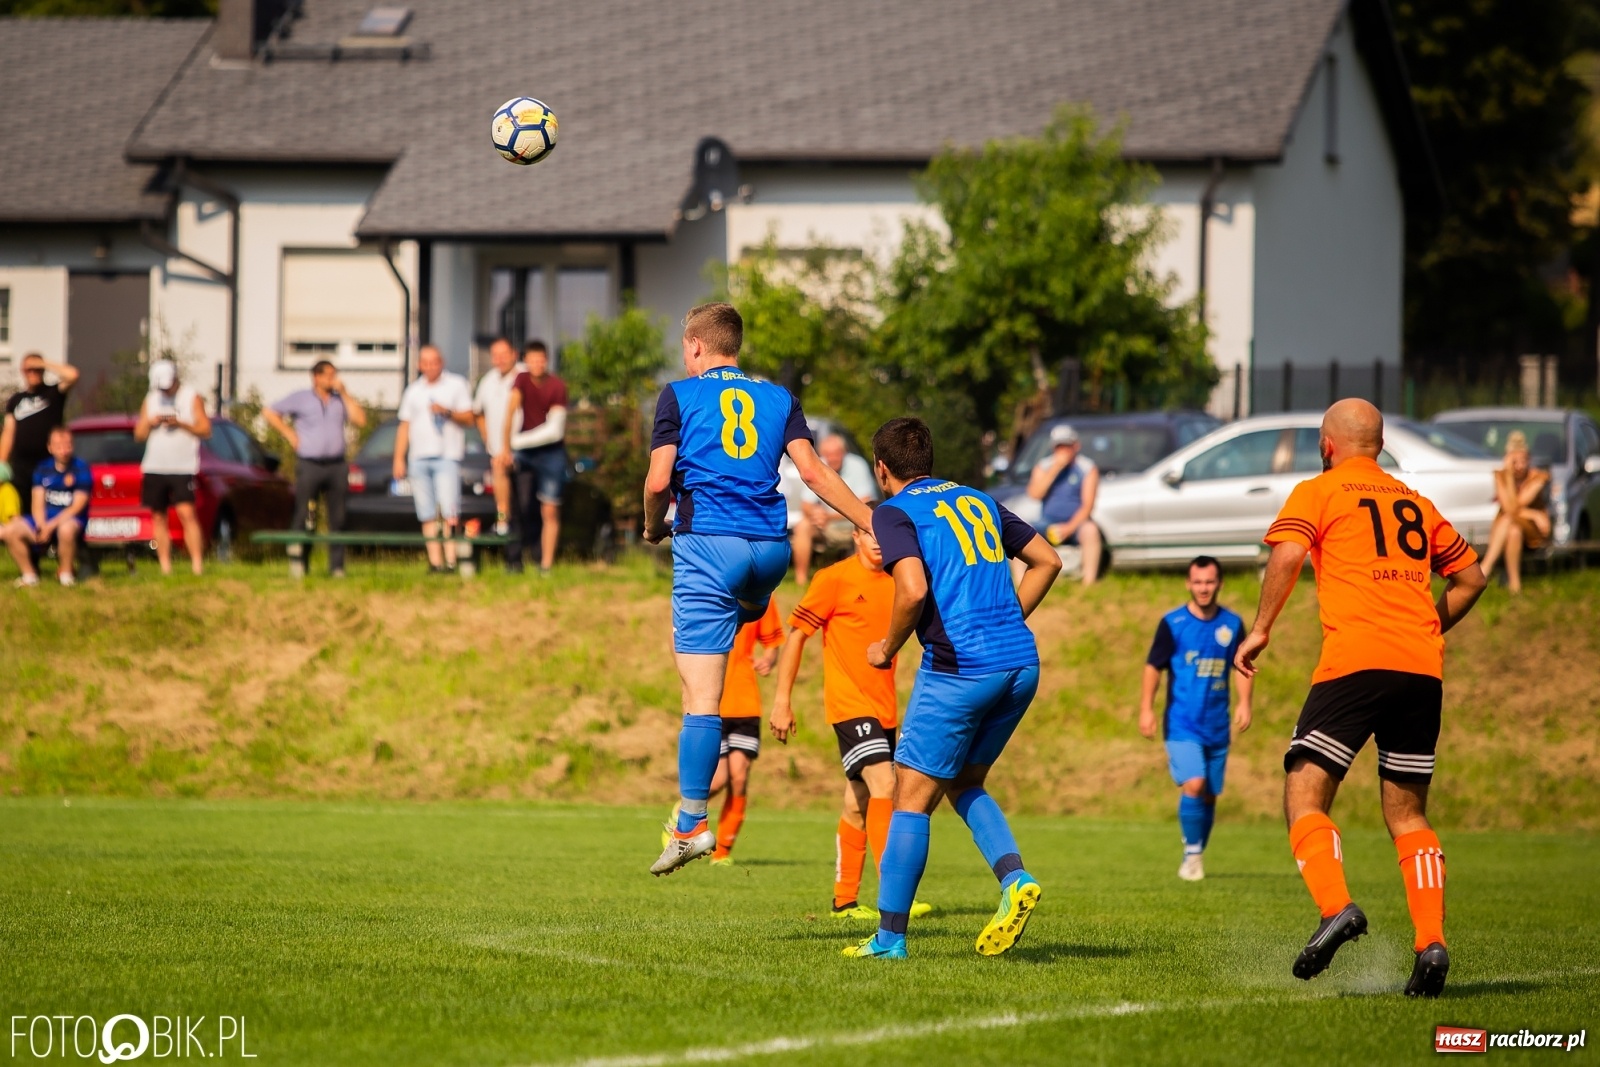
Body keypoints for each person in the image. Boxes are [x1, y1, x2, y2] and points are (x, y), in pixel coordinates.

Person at [1235, 398, 1485, 998]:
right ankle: (1431, 942)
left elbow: (1290, 553)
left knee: (1305, 791)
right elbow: (1471, 577)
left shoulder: (1318, 491)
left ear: (1328, 445)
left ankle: (1335, 907)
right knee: (1408, 815)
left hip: (1355, 664)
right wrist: (1426, 627)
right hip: (1422, 670)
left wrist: (1262, 627)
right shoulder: (1415, 503)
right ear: (1378, 446)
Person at [643, 302, 874, 877]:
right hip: (769, 554)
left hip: (708, 548)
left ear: (696, 346)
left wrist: (652, 527)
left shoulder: (679, 394)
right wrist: (869, 521)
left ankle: (693, 823)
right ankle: (744, 613)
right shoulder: (780, 398)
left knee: (699, 696)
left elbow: (656, 480)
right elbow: (815, 474)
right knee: (742, 609)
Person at [844, 416, 1062, 960]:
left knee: (911, 802)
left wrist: (886, 648)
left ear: (882, 469)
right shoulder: (978, 499)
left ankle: (889, 939)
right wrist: (1009, 619)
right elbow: (1048, 560)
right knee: (965, 780)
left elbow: (912, 589)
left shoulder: (893, 512)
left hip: (960, 669)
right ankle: (1014, 879)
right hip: (1020, 664)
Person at [771, 522, 931, 920]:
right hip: (848, 705)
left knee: (858, 804)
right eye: (868, 534)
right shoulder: (835, 579)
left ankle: (843, 901)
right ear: (856, 537)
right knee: (886, 785)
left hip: (885, 709)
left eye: (883, 535)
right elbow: (796, 636)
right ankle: (893, 895)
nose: (878, 543)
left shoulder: (903, 579)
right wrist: (781, 701)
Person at [1138, 555, 1253, 881]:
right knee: (1195, 783)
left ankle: (1197, 853)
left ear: (1219, 584)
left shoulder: (1231, 625)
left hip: (1217, 723)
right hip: (1181, 724)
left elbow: (1242, 666)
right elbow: (1153, 667)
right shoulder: (1173, 623)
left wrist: (1245, 702)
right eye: (1198, 582)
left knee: (1210, 794)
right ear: (1189, 584)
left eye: (1210, 581)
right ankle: (1191, 856)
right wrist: (1146, 707)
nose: (1204, 588)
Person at [264, 360, 366, 578]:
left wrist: (345, 394)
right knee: (304, 514)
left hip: (337, 465)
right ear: (316, 377)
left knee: (338, 517)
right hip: (310, 464)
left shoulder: (340, 401)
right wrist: (289, 434)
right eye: (328, 375)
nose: (332, 379)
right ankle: (300, 562)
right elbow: (270, 412)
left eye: (334, 374)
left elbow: (360, 420)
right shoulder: (301, 398)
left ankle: (337, 567)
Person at [708, 599, 784, 865]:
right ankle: (682, 815)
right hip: (711, 702)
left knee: (739, 777)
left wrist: (769, 660)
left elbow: (773, 641)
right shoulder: (712, 588)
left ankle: (722, 851)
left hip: (745, 703)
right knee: (717, 780)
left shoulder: (760, 591)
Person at [394, 346, 474, 573]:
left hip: (447, 456)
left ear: (442, 362)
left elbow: (469, 417)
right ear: (419, 365)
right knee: (426, 512)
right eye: (425, 362)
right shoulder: (414, 390)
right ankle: (435, 562)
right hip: (419, 457)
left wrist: (447, 412)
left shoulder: (456, 385)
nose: (430, 366)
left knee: (449, 510)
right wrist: (399, 458)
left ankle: (451, 561)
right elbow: (404, 426)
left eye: (434, 362)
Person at [135, 359, 210, 576]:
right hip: (155, 466)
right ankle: (165, 567)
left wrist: (180, 423)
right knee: (158, 516)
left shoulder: (191, 396)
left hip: (183, 466)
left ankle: (197, 565)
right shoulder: (151, 399)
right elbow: (139, 435)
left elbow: (206, 429)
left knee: (187, 513)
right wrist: (150, 422)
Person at [503, 340, 568, 575]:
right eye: (532, 360)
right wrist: (504, 449)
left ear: (546, 361)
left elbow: (554, 431)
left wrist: (515, 442)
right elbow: (509, 412)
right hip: (524, 452)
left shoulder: (557, 386)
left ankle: (546, 566)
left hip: (551, 453)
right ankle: (513, 556)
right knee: (517, 502)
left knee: (549, 511)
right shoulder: (520, 380)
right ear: (526, 361)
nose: (536, 364)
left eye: (540, 360)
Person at [2, 425, 90, 587]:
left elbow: (77, 506)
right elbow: (37, 501)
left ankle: (66, 575)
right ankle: (29, 575)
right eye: (59, 446)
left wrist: (50, 526)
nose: (63, 450)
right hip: (45, 519)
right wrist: (41, 524)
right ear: (50, 448)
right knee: (10, 530)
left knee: (66, 529)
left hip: (70, 519)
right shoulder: (43, 469)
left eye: (67, 445)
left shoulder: (81, 468)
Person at [791, 434, 877, 584]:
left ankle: (863, 578)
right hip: (826, 525)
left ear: (844, 452)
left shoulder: (857, 465)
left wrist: (829, 517)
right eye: (828, 454)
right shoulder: (817, 466)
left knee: (864, 527)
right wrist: (815, 513)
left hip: (852, 523)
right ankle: (801, 579)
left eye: (836, 454)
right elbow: (806, 504)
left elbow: (865, 503)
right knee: (803, 526)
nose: (832, 458)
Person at [1025, 423, 1103, 585]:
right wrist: (1055, 468)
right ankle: (1020, 583)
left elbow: (1088, 505)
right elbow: (1035, 494)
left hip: (1075, 523)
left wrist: (1069, 528)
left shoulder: (1087, 468)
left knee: (1091, 530)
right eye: (1059, 446)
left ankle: (1089, 582)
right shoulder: (1044, 466)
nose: (1063, 450)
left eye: (1067, 446)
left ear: (1076, 446)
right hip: (1047, 521)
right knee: (1021, 531)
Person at [1, 353, 79, 507]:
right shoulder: (16, 400)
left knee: (46, 508)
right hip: (21, 466)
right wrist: (2, 462)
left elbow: (73, 375)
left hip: (48, 464)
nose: (33, 373)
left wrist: (44, 363)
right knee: (21, 509)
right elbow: (8, 433)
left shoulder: (54, 393)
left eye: (36, 369)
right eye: (29, 369)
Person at [1478, 430, 1550, 595]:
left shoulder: (1538, 477)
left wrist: (1529, 515)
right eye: (1514, 462)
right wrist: (1534, 514)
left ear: (1529, 459)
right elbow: (1511, 508)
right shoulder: (1501, 476)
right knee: (1513, 531)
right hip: (1510, 528)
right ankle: (1515, 584)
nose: (1519, 466)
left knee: (1510, 520)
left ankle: (1485, 569)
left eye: (1523, 461)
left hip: (1532, 531)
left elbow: (1517, 505)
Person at [473, 337, 524, 537]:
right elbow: (478, 413)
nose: (499, 360)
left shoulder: (524, 376)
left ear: (514, 354)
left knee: (525, 501)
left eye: (504, 355)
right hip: (498, 452)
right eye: (495, 356)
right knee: (501, 483)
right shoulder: (487, 381)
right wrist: (488, 439)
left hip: (523, 447)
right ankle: (503, 523)